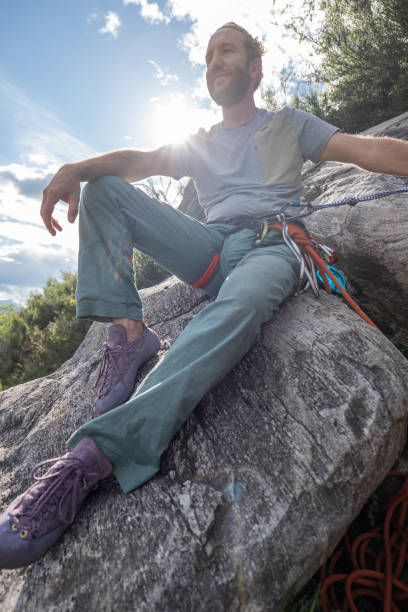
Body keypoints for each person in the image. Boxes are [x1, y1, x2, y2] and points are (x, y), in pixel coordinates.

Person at [1, 22, 408, 570]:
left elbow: (367, 150)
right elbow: (140, 161)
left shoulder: (291, 124)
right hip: (213, 247)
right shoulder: (202, 142)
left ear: (254, 68)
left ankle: (95, 455)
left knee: (237, 309)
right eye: (209, 54)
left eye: (227, 51)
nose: (214, 61)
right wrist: (77, 167)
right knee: (106, 189)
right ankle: (129, 336)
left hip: (275, 245)